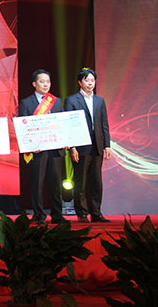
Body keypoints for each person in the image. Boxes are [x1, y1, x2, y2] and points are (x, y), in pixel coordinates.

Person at [19, 69, 68, 224]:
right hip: (37, 150)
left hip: (55, 148)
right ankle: (39, 215)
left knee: (56, 183)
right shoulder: (26, 103)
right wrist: (30, 145)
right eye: (42, 81)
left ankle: (57, 215)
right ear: (34, 84)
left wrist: (66, 139)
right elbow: (22, 127)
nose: (46, 84)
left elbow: (61, 123)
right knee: (37, 183)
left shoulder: (56, 101)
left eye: (48, 81)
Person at [64, 68, 111, 223]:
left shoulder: (99, 100)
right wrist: (72, 147)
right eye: (87, 80)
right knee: (81, 181)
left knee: (96, 181)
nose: (90, 83)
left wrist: (107, 145)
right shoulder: (71, 100)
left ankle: (96, 212)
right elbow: (68, 125)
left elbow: (104, 124)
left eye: (92, 80)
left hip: (97, 146)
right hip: (80, 147)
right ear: (80, 82)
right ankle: (82, 213)